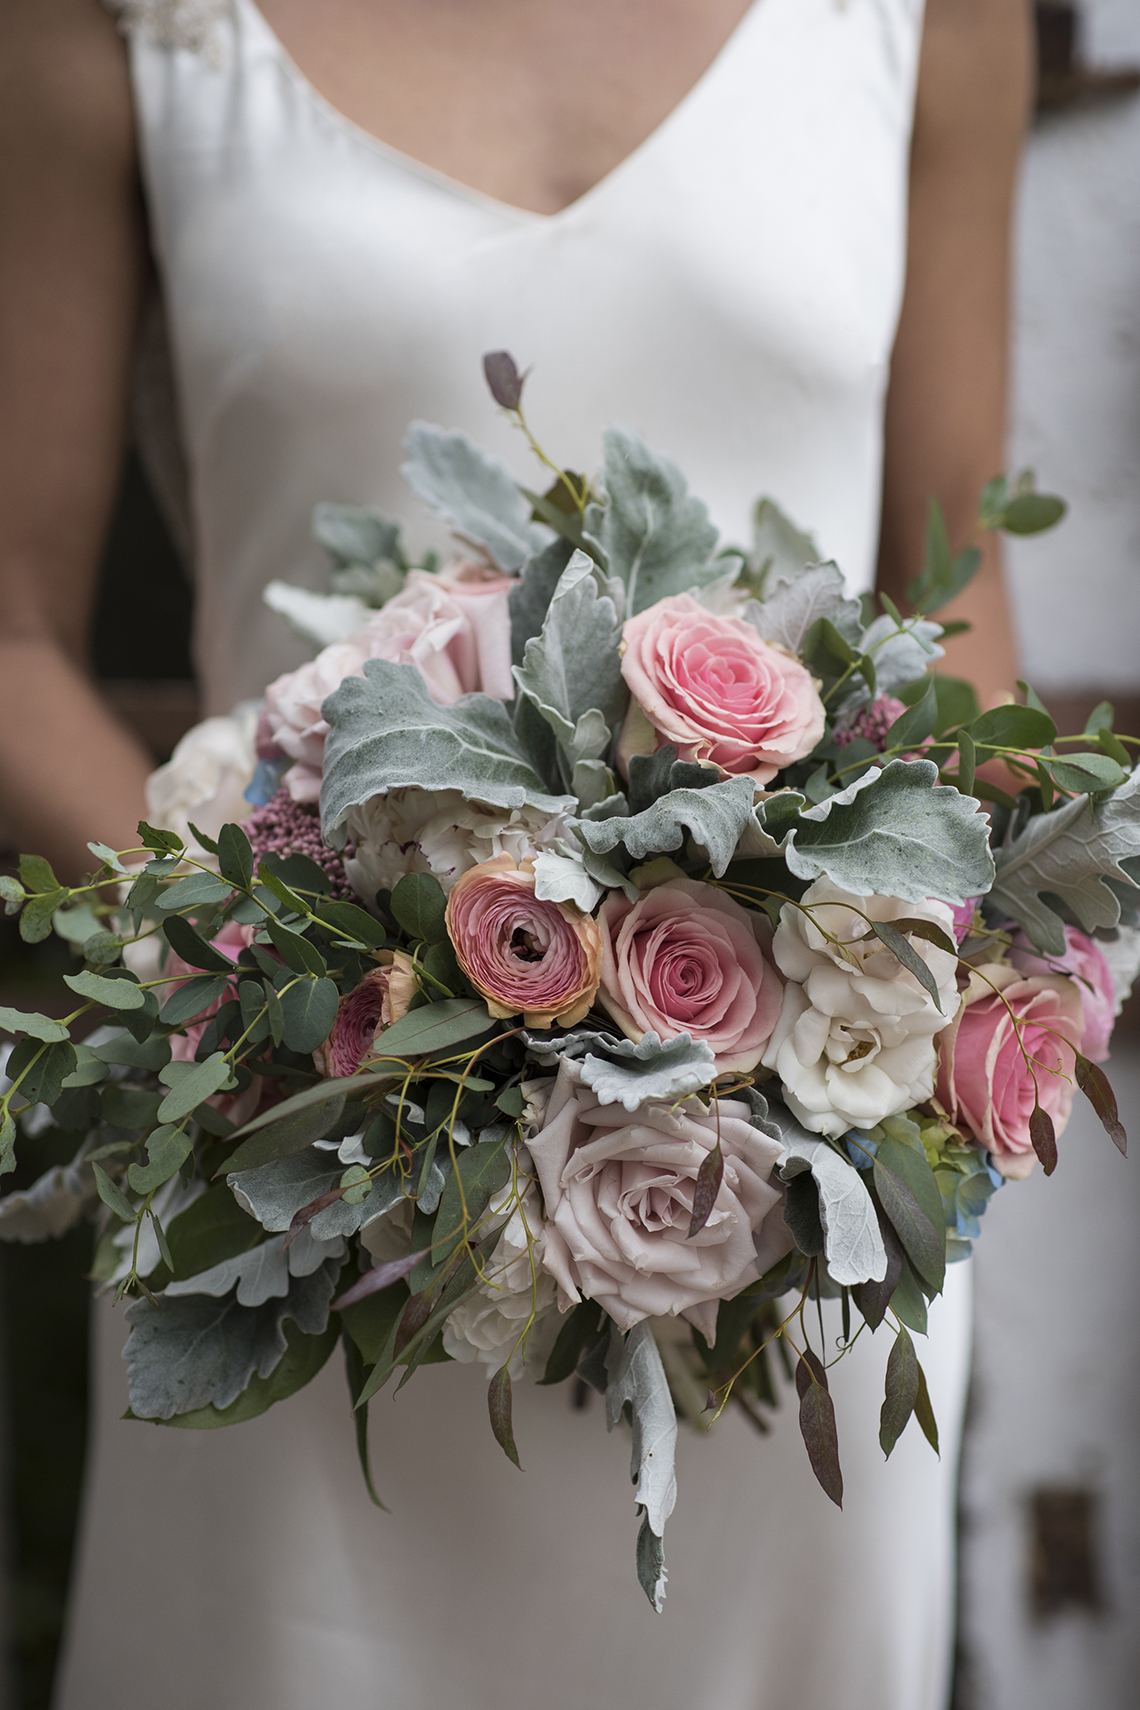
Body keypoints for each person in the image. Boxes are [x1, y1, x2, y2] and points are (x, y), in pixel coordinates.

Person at [0, 2, 1030, 1706]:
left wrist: (960, 966)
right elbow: (15, 633)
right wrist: (263, 975)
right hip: (304, 1163)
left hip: (783, 1223)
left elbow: (956, 587)